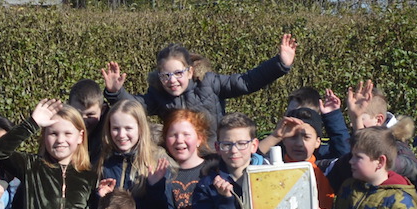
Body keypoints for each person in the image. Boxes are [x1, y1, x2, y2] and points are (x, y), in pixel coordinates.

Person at [106, 33, 298, 127]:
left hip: (214, 155)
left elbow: (246, 82)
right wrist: (116, 92)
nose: (172, 80)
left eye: (178, 73)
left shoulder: (210, 83)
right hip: (182, 160)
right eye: (166, 75)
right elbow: (134, 106)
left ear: (190, 71)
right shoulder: (158, 95)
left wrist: (279, 64)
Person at [99, 97, 164, 201]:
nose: (121, 135)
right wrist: (102, 198)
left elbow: (165, 208)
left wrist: (155, 187)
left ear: (140, 129)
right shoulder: (104, 161)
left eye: (128, 128)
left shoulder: (156, 161)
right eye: (116, 128)